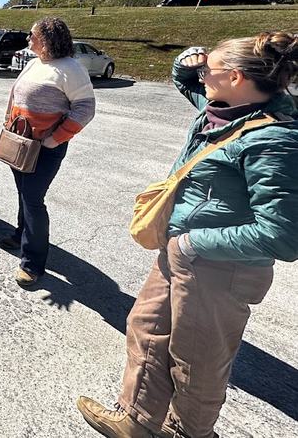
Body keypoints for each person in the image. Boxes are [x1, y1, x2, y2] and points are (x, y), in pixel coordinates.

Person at [78, 32, 298, 438]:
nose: (202, 76)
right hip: (182, 254)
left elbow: (283, 235)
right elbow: (184, 80)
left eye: (209, 69)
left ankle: (188, 431)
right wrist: (186, 60)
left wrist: (191, 244)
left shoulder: (273, 138)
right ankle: (136, 420)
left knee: (196, 360)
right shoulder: (225, 108)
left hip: (220, 268)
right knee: (145, 327)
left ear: (235, 77)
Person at [0, 17, 95, 288]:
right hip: (20, 141)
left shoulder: (70, 69)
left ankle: (32, 263)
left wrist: (56, 139)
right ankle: (21, 234)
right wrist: (8, 120)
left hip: (45, 148)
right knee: (23, 193)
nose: (28, 39)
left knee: (32, 198)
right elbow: (15, 93)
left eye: (33, 35)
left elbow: (85, 109)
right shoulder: (33, 63)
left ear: (48, 39)